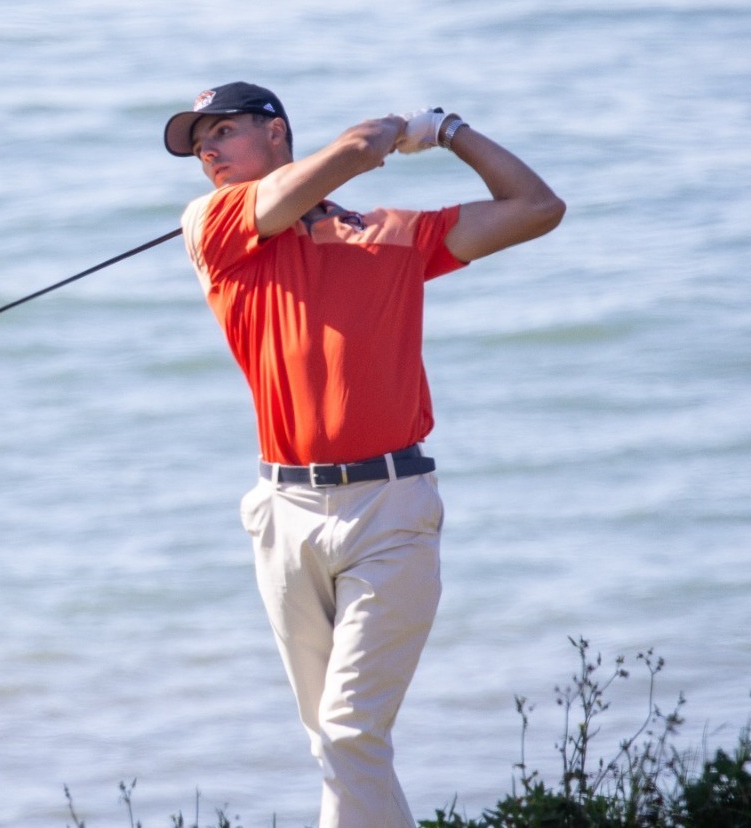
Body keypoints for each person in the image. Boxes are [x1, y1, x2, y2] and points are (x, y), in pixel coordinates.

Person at [163, 81, 564, 827]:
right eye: (198, 144)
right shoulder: (211, 224)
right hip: (284, 514)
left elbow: (537, 209)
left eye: (223, 132)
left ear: (275, 131)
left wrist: (449, 131)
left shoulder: (391, 232)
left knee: (349, 736)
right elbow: (329, 166)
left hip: (391, 509)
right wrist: (365, 143)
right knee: (342, 746)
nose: (207, 151)